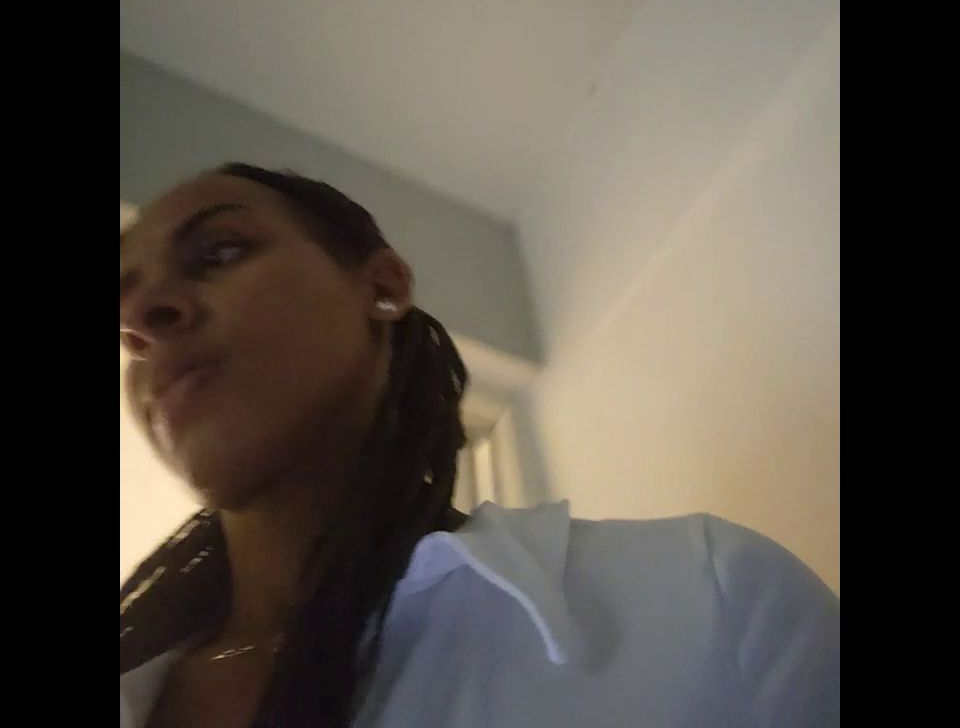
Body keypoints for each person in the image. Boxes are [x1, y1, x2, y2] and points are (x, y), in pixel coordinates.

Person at [119, 163, 840, 728]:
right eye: (123, 310)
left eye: (219, 251)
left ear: (383, 287)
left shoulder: (705, 602)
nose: (144, 315)